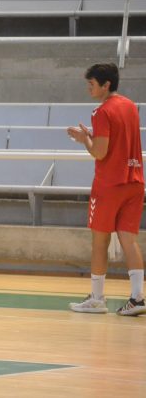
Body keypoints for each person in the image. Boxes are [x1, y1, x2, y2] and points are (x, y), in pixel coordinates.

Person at [67, 62, 146, 317]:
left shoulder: (101, 112)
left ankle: (97, 298)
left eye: (91, 84)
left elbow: (99, 152)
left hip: (109, 184)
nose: (89, 89)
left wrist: (85, 139)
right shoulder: (130, 107)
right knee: (128, 240)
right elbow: (118, 138)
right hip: (134, 181)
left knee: (100, 241)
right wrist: (94, 134)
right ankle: (137, 297)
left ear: (105, 84)